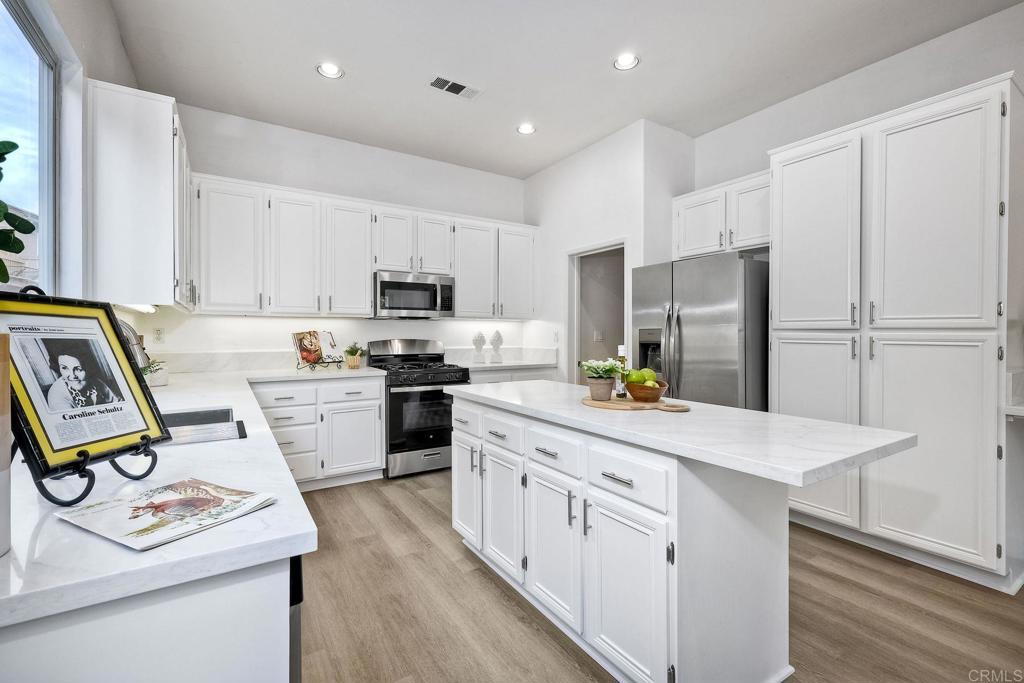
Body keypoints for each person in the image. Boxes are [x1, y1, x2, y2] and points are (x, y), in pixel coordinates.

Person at [43, 341, 120, 410]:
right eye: (64, 368)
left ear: (88, 367)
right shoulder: (57, 395)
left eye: (78, 369)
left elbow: (116, 402)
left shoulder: (95, 381)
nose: (72, 376)